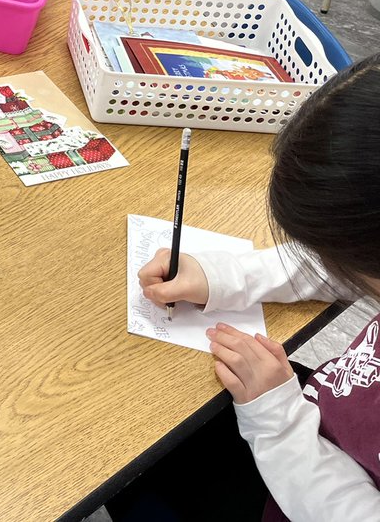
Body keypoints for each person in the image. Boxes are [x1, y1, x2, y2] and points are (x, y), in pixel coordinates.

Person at [136, 54, 380, 521]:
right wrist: (222, 277)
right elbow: (331, 260)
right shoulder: (363, 249)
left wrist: (280, 423)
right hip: (312, 422)